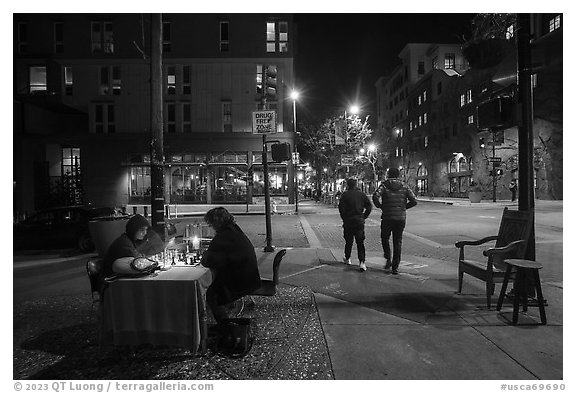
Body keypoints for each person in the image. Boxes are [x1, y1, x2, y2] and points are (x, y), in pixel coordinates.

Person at [200, 207, 261, 323]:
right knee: (213, 283)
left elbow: (208, 261)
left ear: (216, 222)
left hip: (241, 280)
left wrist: (204, 256)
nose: (211, 227)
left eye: (211, 224)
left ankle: (225, 326)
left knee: (210, 294)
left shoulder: (224, 236)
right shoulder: (234, 230)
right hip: (249, 275)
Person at [372, 168, 417, 275]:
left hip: (387, 217)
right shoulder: (404, 186)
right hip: (400, 218)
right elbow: (414, 201)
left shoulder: (384, 185)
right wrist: (404, 207)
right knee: (397, 242)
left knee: (384, 238)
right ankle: (395, 267)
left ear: (388, 175)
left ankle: (388, 258)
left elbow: (375, 196)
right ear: (398, 175)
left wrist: (381, 206)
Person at [101, 214, 151, 279]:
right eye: (142, 230)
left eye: (146, 230)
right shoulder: (124, 243)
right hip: (111, 282)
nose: (145, 233)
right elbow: (139, 262)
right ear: (133, 229)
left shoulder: (131, 240)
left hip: (120, 277)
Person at [338, 178, 372, 272]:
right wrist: (364, 216)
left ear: (347, 185)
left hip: (348, 221)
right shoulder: (361, 195)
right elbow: (369, 206)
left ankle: (348, 257)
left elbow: (341, 208)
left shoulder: (345, 195)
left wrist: (344, 217)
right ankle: (362, 262)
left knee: (348, 241)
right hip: (359, 220)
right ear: (356, 185)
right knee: (360, 242)